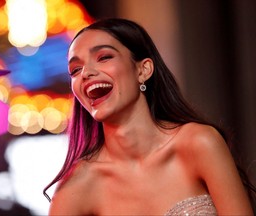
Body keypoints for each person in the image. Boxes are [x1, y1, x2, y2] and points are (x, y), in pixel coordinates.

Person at [44, 18, 255, 215]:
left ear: (143, 70)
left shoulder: (199, 143)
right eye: (75, 69)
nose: (86, 73)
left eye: (104, 57)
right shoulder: (75, 189)